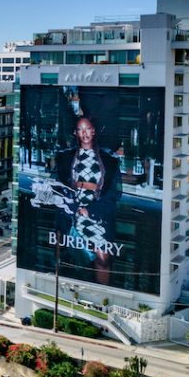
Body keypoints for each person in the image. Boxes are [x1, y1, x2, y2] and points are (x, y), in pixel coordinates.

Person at [53, 117, 121, 284]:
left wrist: (91, 210)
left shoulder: (109, 160)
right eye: (80, 129)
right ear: (75, 133)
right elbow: (56, 187)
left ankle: (103, 295)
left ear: (94, 130)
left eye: (88, 128)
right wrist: (73, 205)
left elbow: (113, 195)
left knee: (103, 258)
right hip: (70, 213)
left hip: (96, 215)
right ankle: (58, 287)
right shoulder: (64, 157)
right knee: (60, 251)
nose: (84, 133)